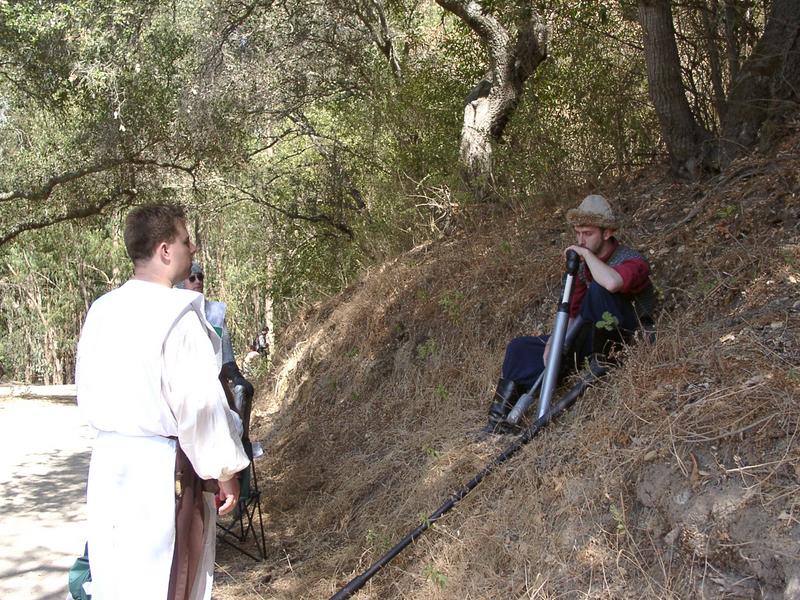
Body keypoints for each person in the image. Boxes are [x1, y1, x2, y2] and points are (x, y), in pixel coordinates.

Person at [76, 203, 250, 600]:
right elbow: (199, 407)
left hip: (110, 468)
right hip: (159, 476)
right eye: (186, 241)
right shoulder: (176, 316)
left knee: (117, 581)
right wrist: (225, 472)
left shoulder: (102, 310)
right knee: (165, 584)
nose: (193, 248)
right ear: (165, 250)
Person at [482, 194, 656, 434]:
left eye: (588, 233)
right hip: (588, 336)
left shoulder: (632, 260)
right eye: (578, 233)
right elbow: (572, 313)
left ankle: (601, 362)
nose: (581, 240)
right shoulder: (584, 268)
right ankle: (498, 421)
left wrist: (587, 256)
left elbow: (613, 283)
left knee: (599, 290)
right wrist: (554, 343)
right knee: (519, 348)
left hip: (623, 335)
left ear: (607, 233)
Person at [179, 262, 255, 401]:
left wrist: (235, 375)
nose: (198, 281)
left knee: (239, 401)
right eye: (192, 278)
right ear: (181, 283)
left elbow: (224, 354)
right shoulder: (174, 314)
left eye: (200, 277)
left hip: (214, 384)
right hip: (182, 387)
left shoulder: (214, 312)